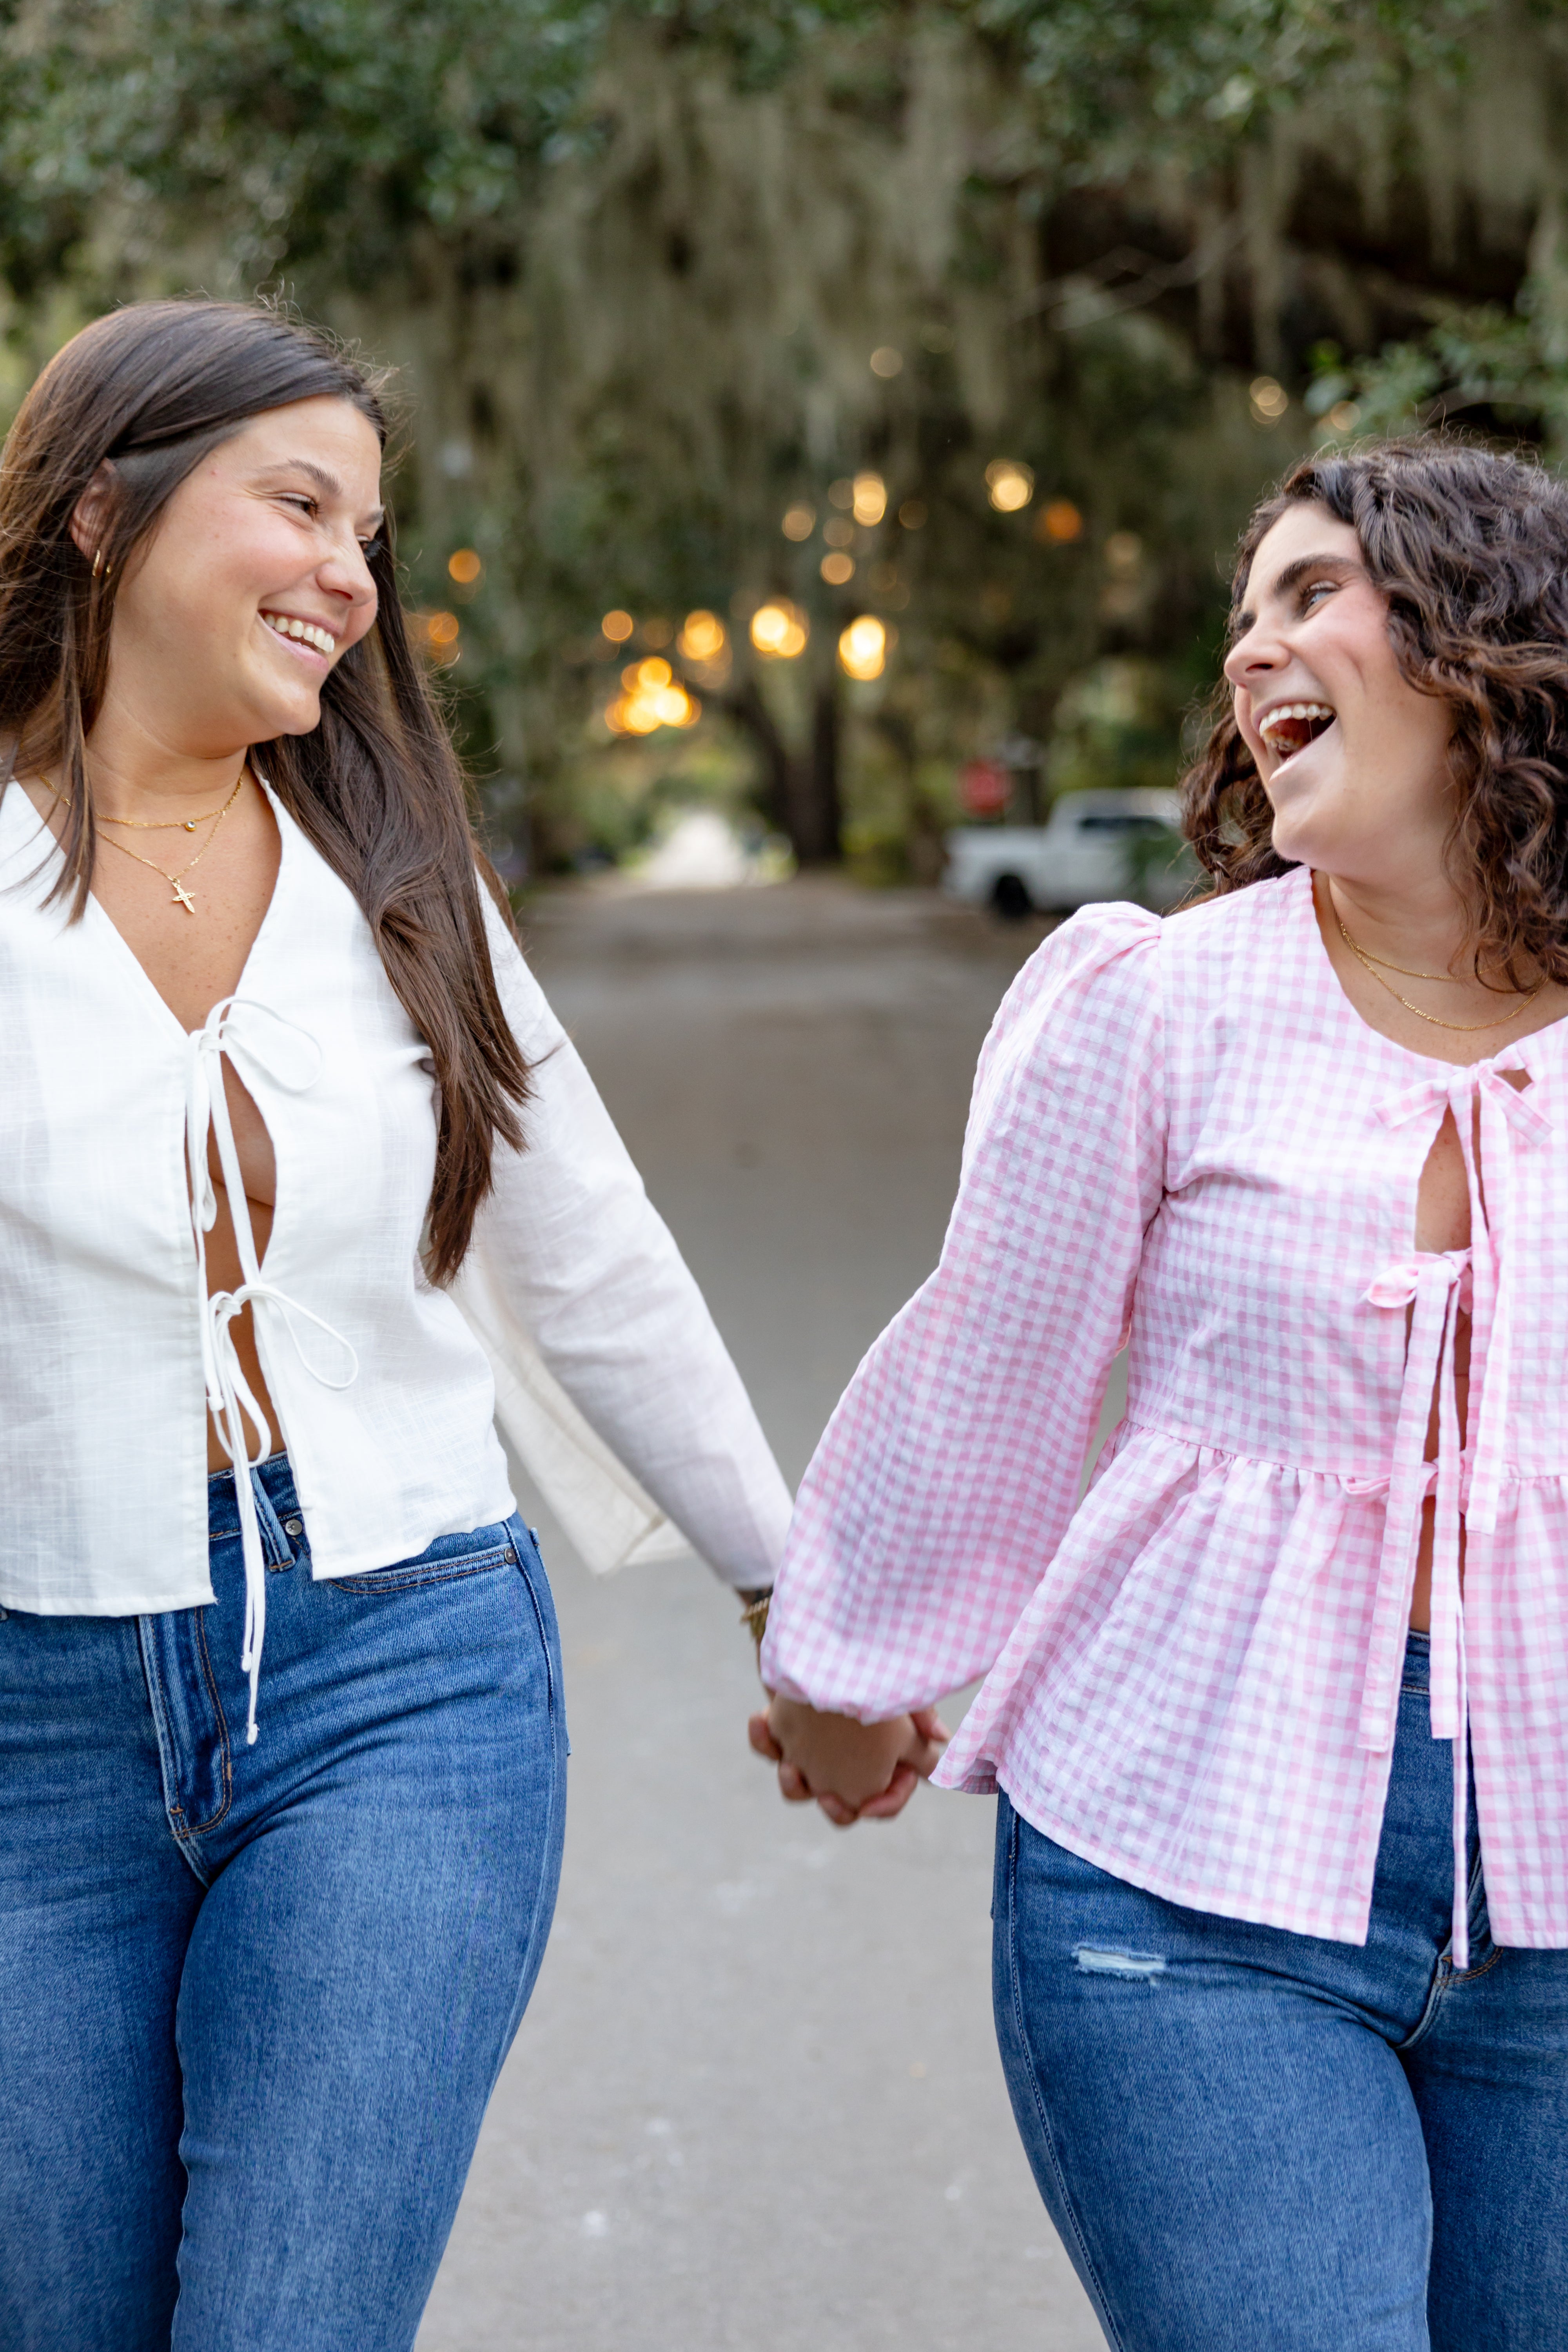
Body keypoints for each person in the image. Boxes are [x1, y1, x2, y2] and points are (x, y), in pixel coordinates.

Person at [0, 298, 791, 2352]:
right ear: (101, 515)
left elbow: (582, 1242)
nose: (354, 576)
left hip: (397, 1675)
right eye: (302, 505)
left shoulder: (393, 874)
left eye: (369, 528)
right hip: (28, 1709)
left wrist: (794, 1595)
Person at [753, 438, 1568, 2348]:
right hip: (1182, 1871)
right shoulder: (1155, 1001)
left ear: (1484, 647)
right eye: (1240, 618)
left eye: (1310, 595)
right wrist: (846, 1679)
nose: (1250, 653)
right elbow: (994, 1370)